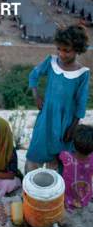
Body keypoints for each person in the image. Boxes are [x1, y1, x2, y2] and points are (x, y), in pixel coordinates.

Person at [25, 25, 90, 173]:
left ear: (77, 49)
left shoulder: (82, 73)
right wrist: (36, 96)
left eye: (66, 50)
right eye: (59, 49)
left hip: (65, 122)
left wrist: (73, 126)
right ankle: (30, 185)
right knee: (37, 148)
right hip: (46, 117)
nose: (61, 54)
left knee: (60, 156)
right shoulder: (51, 62)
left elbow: (81, 102)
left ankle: (55, 189)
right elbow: (34, 75)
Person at [59, 125, 93, 211]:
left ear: (73, 144)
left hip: (68, 192)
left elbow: (59, 155)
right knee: (83, 192)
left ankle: (69, 202)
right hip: (84, 191)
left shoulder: (66, 157)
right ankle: (81, 202)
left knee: (67, 195)